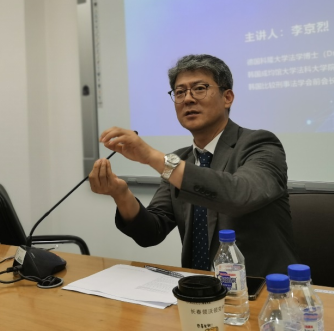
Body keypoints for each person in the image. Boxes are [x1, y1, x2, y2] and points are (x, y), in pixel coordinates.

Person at [89, 54, 297, 277]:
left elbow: (239, 195)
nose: (187, 99)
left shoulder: (260, 144)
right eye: (180, 92)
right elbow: (151, 232)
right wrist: (121, 194)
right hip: (197, 288)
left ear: (227, 97)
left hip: (261, 288)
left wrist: (151, 156)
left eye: (199, 88)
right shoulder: (180, 160)